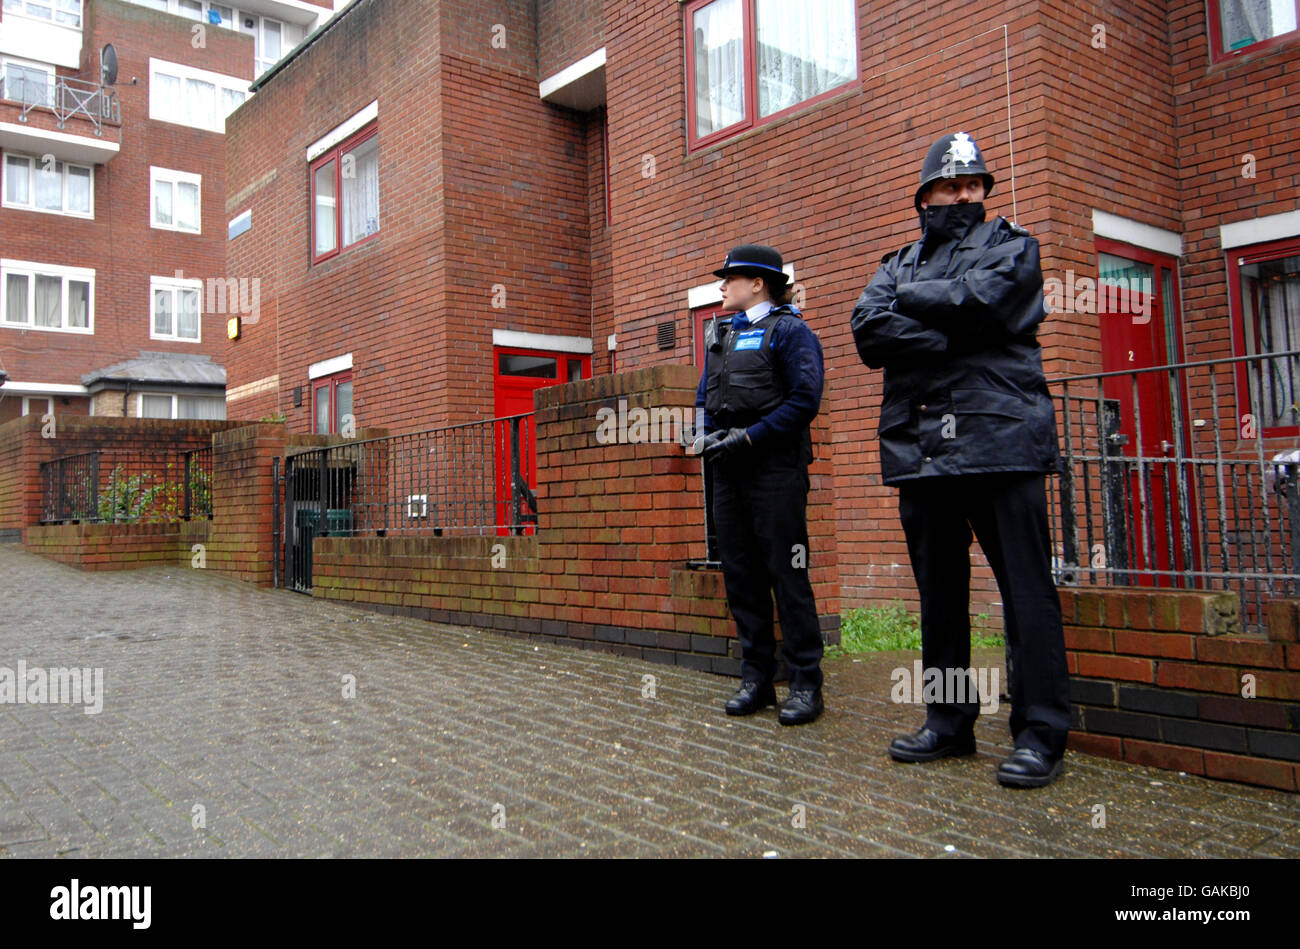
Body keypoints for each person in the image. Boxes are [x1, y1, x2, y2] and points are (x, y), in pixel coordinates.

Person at [848, 132, 1071, 787]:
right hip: (922, 451)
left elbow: (995, 301)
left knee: (1027, 594)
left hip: (1003, 441)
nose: (967, 196)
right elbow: (868, 329)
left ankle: (1040, 732)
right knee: (939, 598)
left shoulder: (1013, 246)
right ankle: (948, 722)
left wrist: (919, 308)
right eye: (953, 187)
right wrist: (960, 321)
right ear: (925, 197)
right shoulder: (896, 261)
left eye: (976, 185)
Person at [695, 244, 827, 725]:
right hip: (729, 471)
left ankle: (806, 685)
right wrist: (704, 434)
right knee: (741, 575)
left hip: (774, 470)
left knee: (787, 575)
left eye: (731, 278)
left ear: (759, 284)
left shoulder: (790, 331)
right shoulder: (723, 334)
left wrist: (750, 437)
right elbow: (704, 394)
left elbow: (805, 400)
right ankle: (757, 680)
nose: (722, 285)